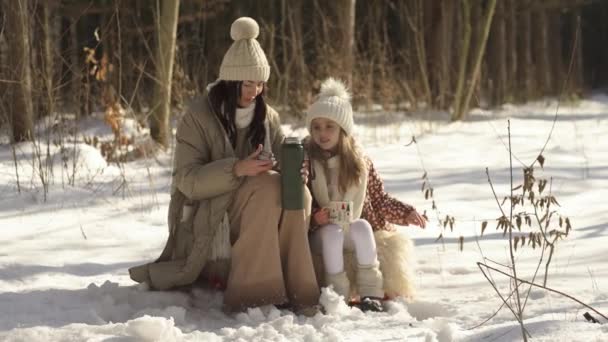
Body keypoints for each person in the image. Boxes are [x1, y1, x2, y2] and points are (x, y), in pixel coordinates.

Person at [129, 17, 320, 315]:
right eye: (247, 84)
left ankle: (299, 289)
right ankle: (253, 293)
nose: (254, 91)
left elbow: (281, 159)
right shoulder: (199, 116)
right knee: (267, 186)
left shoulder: (267, 116)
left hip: (254, 203)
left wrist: (297, 171)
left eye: (260, 84)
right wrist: (237, 169)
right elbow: (186, 180)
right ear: (230, 82)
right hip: (209, 211)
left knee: (299, 193)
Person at [305, 78, 426, 312]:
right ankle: (337, 294)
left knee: (362, 227)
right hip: (320, 232)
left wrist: (406, 212)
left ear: (343, 129)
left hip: (349, 227)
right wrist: (313, 219)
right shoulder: (307, 160)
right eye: (317, 127)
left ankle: (370, 292)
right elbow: (298, 198)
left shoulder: (360, 163)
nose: (322, 133)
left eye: (329, 126)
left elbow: (379, 198)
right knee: (332, 233)